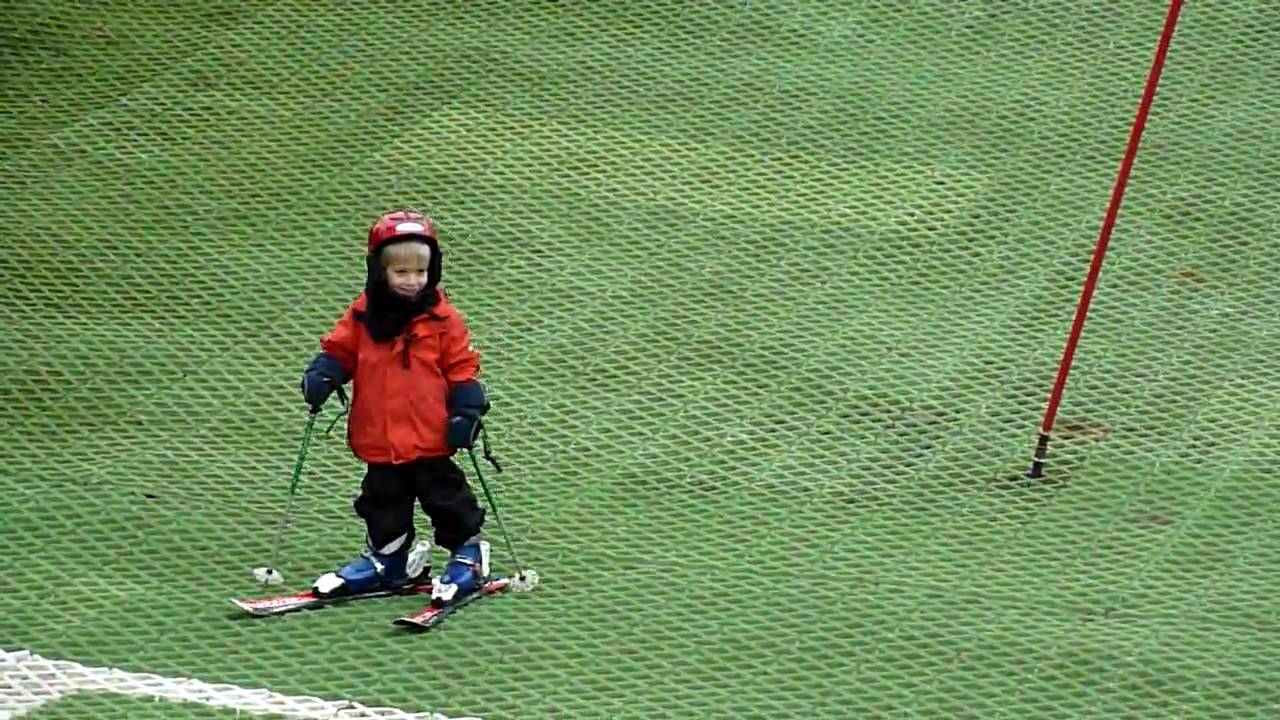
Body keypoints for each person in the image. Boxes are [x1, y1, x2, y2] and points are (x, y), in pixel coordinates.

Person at [299, 208, 491, 607]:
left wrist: (467, 406)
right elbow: (342, 348)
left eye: (420, 272)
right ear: (380, 271)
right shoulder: (365, 314)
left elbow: (461, 364)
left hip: (430, 434)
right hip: (380, 434)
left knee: (447, 499)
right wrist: (326, 371)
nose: (412, 281)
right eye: (401, 273)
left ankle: (468, 554)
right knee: (382, 501)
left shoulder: (440, 317)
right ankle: (388, 559)